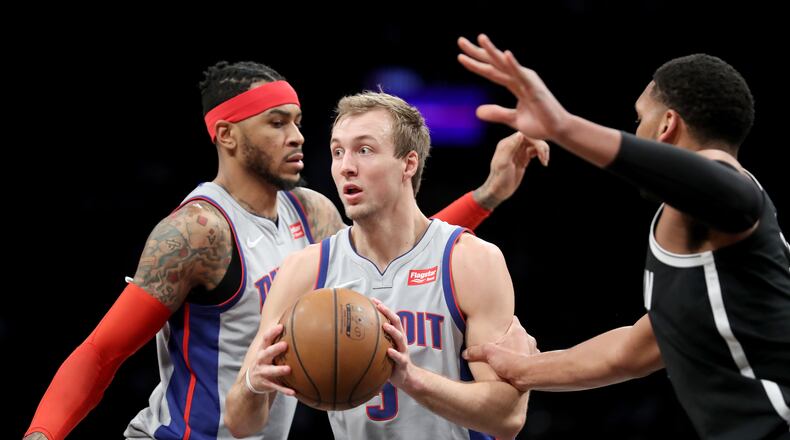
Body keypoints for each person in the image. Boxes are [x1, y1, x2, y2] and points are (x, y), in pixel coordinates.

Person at [24, 61, 546, 440]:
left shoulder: (311, 214)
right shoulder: (197, 232)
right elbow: (101, 351)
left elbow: (390, 249)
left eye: (297, 121)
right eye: (277, 123)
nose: (298, 136)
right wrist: (43, 434)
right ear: (226, 135)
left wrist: (487, 197)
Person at [457, 35, 790, 439]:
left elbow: (719, 186)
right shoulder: (702, 239)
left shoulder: (734, 191)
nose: (637, 130)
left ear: (667, 124)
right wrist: (522, 369)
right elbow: (633, 350)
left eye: (639, 119)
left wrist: (563, 127)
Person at [225, 91, 547, 440]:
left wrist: (411, 379)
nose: (346, 165)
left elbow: (508, 417)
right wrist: (253, 387)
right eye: (337, 151)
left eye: (364, 150)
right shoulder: (305, 269)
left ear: (408, 163)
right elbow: (241, 424)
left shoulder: (470, 260)